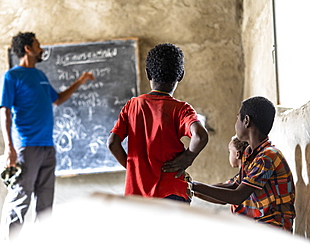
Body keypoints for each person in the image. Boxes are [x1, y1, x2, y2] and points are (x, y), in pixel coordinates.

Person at [0, 32, 94, 241]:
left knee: (45, 205)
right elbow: (4, 110)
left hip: (47, 147)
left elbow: (57, 99)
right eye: (38, 45)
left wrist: (80, 81)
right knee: (20, 201)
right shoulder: (12, 76)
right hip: (26, 147)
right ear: (28, 49)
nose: (41, 49)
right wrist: (9, 148)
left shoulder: (40, 76)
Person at [107, 43, 208, 203]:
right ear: (181, 75)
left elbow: (113, 143)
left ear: (148, 73)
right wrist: (188, 156)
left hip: (137, 196)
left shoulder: (133, 105)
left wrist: (134, 169)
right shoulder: (181, 109)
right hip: (172, 193)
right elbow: (200, 135)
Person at [190, 96, 296, 231]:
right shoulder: (250, 154)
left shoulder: (267, 156)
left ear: (246, 121)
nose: (235, 124)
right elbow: (232, 187)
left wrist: (194, 186)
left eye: (237, 118)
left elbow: (237, 196)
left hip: (273, 230)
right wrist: (192, 188)